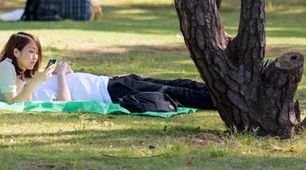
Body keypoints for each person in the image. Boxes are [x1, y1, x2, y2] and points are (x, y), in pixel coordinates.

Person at [32, 62, 215, 110]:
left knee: (175, 83)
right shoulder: (35, 92)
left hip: (113, 81)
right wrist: (62, 74)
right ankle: (221, 100)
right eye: (31, 52)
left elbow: (72, 86)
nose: (34, 58)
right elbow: (64, 101)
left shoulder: (38, 78)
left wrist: (67, 72)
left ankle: (217, 90)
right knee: (174, 92)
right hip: (111, 91)